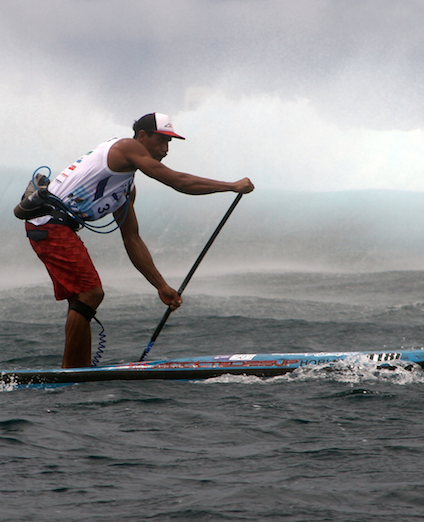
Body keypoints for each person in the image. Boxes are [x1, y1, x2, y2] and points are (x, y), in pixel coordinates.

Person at [21, 112, 254, 368]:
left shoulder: (125, 188)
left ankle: (76, 371)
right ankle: (73, 372)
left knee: (82, 298)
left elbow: (132, 239)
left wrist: (161, 286)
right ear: (142, 136)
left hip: (54, 227)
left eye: (169, 143)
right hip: (49, 223)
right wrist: (230, 186)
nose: (165, 149)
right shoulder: (125, 146)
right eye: (161, 140)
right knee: (90, 293)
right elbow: (178, 181)